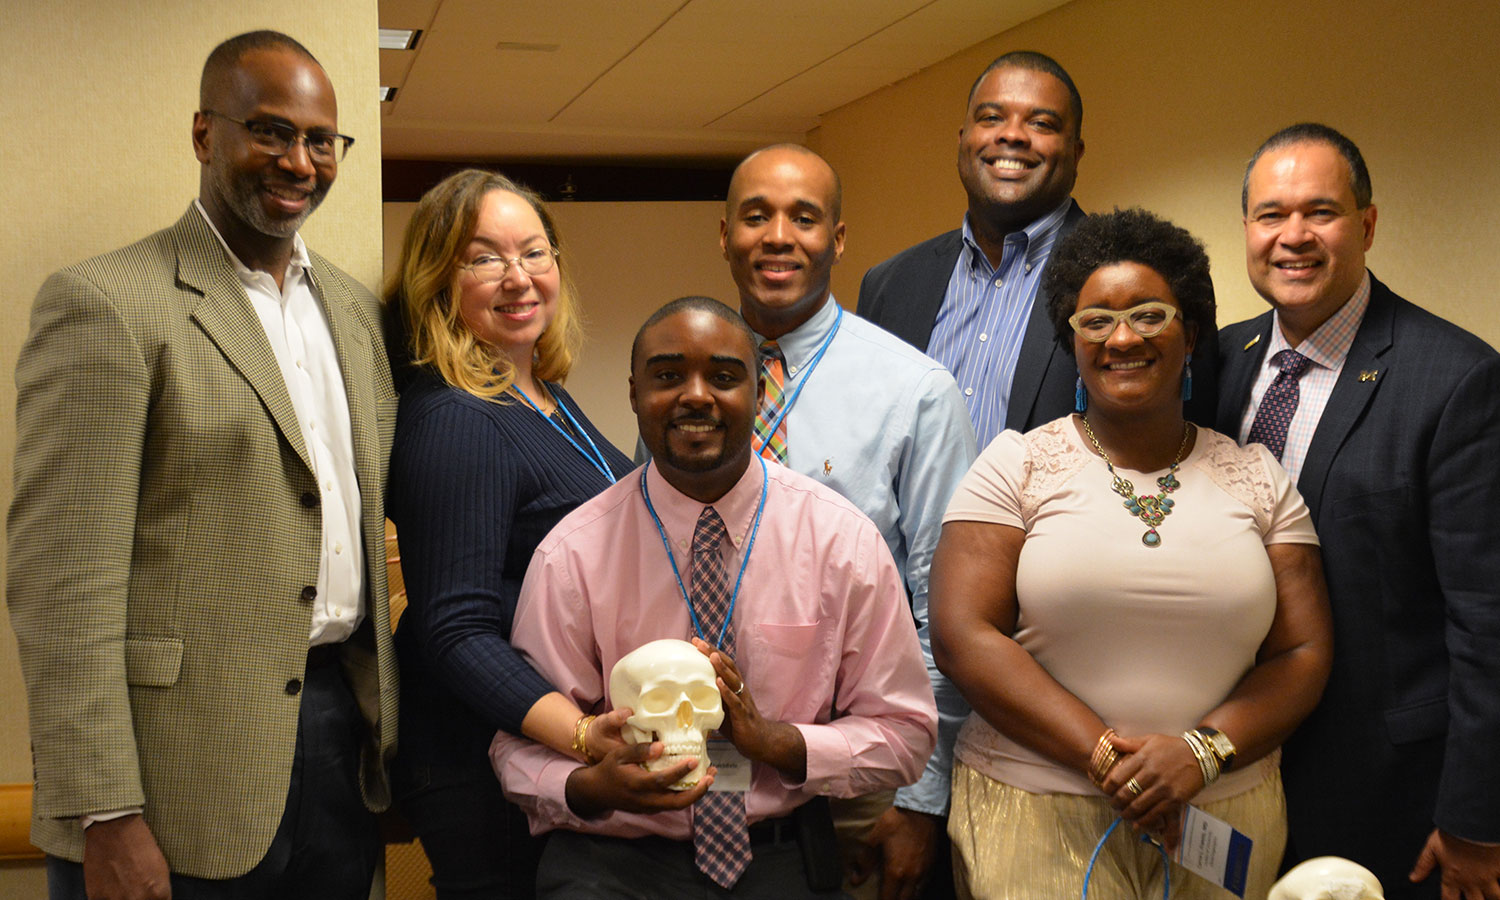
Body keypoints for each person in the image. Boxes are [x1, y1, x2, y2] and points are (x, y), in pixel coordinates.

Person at [8, 30, 396, 898]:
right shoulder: (109, 303)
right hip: (173, 779)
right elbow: (59, 585)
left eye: (320, 139)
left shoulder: (355, 312)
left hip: (339, 746)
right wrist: (103, 810)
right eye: (269, 131)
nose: (299, 160)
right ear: (203, 134)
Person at [931, 209, 1333, 899]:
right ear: (1072, 339)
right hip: (1036, 810)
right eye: (1096, 321)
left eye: (1150, 315)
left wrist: (1199, 755)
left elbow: (1303, 654)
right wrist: (1108, 758)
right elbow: (964, 636)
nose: (1123, 338)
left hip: (1223, 813)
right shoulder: (1016, 467)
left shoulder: (1258, 476)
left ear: (1191, 332)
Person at [493, 297, 938, 898]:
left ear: (759, 396)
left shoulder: (840, 541)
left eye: (724, 377)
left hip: (779, 856)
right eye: (669, 375)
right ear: (633, 393)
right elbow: (515, 747)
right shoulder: (572, 553)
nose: (696, 395)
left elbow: (907, 735)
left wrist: (778, 742)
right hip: (612, 861)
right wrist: (590, 788)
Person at [1217, 123, 1500, 899]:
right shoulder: (1214, 361)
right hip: (1229, 776)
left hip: (1384, 793)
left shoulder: (1456, 379)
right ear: (1246, 229)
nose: (1293, 237)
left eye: (1322, 212)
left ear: (1367, 224)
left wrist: (1478, 818)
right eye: (1271, 214)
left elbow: (1487, 622)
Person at [719, 143, 976, 900]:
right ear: (723, 232)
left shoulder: (914, 392)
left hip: (857, 785)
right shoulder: (685, 381)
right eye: (755, 215)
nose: (776, 236)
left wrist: (920, 797)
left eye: (803, 218)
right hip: (703, 769)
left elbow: (944, 613)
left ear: (836, 239)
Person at [384, 168, 635, 899]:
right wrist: (586, 740)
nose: (519, 277)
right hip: (480, 759)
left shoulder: (538, 393)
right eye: (484, 257)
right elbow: (456, 630)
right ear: (439, 279)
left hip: (537, 746)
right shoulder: (459, 419)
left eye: (534, 252)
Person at [857, 51, 1217, 447]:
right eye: (991, 118)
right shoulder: (890, 284)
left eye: (1041, 123)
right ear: (963, 140)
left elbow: (1189, 438)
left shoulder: (1149, 276)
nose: (1011, 135)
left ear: (1076, 153)